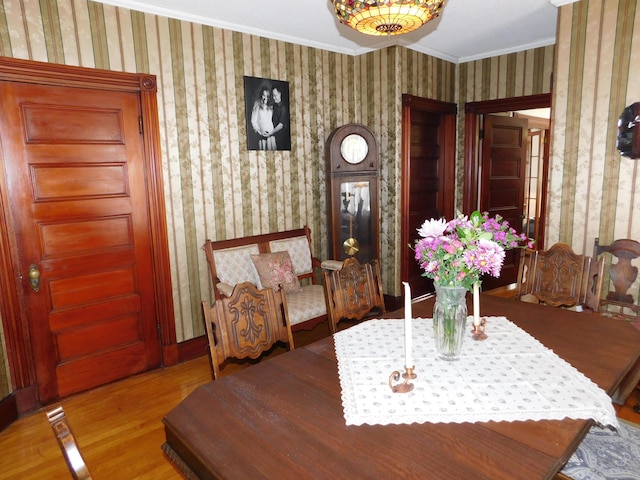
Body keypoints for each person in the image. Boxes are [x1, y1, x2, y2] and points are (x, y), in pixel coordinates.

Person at [250, 85, 276, 150]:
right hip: (262, 136)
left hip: (271, 135)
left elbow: (270, 121)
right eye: (263, 95)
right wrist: (260, 132)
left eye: (267, 96)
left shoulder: (271, 106)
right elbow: (253, 121)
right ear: (261, 95)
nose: (265, 98)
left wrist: (271, 132)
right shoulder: (257, 104)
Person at [271, 85, 290, 150]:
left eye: (275, 95)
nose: (274, 98)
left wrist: (271, 132)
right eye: (273, 96)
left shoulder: (283, 108)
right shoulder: (274, 106)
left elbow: (281, 125)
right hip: (274, 136)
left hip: (282, 137)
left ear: (280, 94)